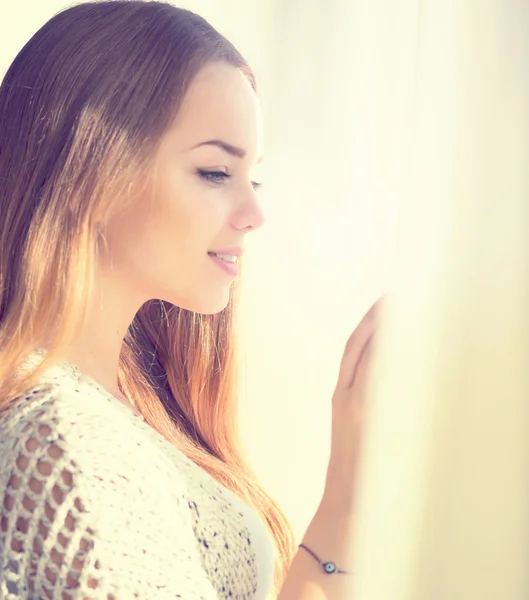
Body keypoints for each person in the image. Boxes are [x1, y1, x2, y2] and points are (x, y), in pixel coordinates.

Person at [0, 1, 385, 598]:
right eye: (214, 172)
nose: (255, 214)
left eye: (252, 177)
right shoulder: (64, 438)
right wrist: (346, 501)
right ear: (88, 170)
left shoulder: (127, 406)